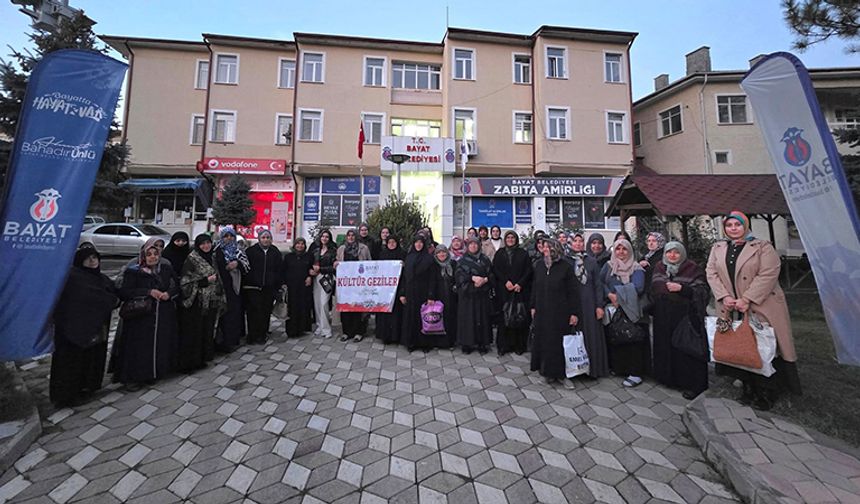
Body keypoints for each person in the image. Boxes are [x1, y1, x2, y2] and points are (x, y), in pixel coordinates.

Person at [706, 211, 801, 410]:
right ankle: (747, 387)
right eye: (729, 225)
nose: (733, 228)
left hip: (759, 305)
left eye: (737, 225)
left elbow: (769, 273)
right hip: (732, 305)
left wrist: (747, 299)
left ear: (745, 226)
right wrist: (724, 297)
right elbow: (711, 272)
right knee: (741, 346)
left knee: (764, 346)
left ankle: (766, 393)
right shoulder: (719, 247)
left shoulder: (762, 247)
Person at [50, 247, 118, 407]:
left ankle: (87, 388)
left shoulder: (100, 278)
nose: (92, 261)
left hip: (95, 328)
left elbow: (112, 293)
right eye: (88, 258)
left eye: (95, 257)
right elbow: (88, 297)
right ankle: (66, 396)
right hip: (72, 330)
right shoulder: (72, 277)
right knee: (70, 364)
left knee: (90, 360)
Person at [113, 238, 179, 391]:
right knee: (138, 348)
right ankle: (134, 378)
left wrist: (168, 294)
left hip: (160, 315)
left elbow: (175, 285)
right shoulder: (134, 271)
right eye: (149, 254)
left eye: (156, 254)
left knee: (156, 346)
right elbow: (125, 292)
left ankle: (152, 373)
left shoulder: (165, 269)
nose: (153, 257)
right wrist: (148, 292)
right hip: (140, 316)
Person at [651, 241, 710, 399]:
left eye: (676, 252)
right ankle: (667, 378)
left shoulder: (692, 268)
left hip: (685, 316)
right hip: (663, 315)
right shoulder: (659, 267)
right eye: (669, 252)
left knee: (685, 348)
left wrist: (683, 289)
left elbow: (702, 291)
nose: (672, 255)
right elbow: (654, 287)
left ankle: (690, 383)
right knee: (665, 347)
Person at [530, 238, 581, 389]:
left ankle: (563, 375)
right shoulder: (539, 265)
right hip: (542, 310)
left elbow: (573, 291)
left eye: (548, 247)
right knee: (544, 342)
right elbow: (535, 287)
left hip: (560, 312)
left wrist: (574, 313)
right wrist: (532, 305)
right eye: (544, 247)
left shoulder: (565, 266)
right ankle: (547, 373)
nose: (545, 250)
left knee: (560, 344)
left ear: (555, 249)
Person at [601, 239, 649, 388]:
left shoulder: (636, 268)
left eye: (624, 249)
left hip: (632, 310)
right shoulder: (608, 266)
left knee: (633, 338)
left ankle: (635, 373)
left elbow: (638, 287)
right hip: (614, 309)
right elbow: (600, 283)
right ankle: (619, 368)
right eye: (618, 249)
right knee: (616, 337)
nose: (621, 252)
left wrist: (617, 292)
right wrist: (609, 295)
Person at [177, 234, 225, 372]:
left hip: (211, 301)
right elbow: (185, 282)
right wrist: (205, 281)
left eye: (208, 243)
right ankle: (191, 362)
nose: (206, 246)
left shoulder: (212, 257)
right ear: (198, 245)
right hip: (196, 302)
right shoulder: (192, 259)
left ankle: (204, 358)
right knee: (195, 332)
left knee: (207, 330)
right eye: (203, 244)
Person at [570, 233, 609, 378]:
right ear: (571, 243)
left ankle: (592, 369)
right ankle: (575, 369)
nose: (578, 244)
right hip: (574, 304)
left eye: (581, 241)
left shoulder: (591, 261)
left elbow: (598, 285)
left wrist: (599, 305)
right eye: (575, 241)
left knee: (591, 334)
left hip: (590, 303)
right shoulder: (566, 261)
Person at [493, 231, 532, 355]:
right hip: (504, 291)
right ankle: (503, 346)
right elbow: (496, 269)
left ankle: (518, 346)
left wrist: (520, 283)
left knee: (519, 318)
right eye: (508, 237)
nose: (510, 239)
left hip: (519, 290)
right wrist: (506, 282)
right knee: (504, 318)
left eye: (513, 237)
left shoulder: (523, 253)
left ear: (516, 239)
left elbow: (528, 270)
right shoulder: (500, 253)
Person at [244, 229, 283, 345]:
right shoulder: (251, 251)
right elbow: (246, 268)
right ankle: (252, 335)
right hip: (253, 287)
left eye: (268, 238)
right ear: (259, 239)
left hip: (269, 288)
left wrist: (278, 285)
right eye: (263, 238)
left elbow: (279, 270)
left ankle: (262, 334)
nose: (266, 240)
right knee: (253, 312)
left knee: (265, 312)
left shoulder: (275, 252)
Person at [455, 237, 494, 354]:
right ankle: (467, 344)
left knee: (483, 319)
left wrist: (485, 280)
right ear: (467, 246)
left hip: (482, 295)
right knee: (468, 320)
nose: (473, 246)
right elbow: (458, 276)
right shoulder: (462, 261)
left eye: (475, 244)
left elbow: (492, 274)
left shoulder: (485, 260)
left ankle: (483, 344)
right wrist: (472, 278)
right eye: (471, 244)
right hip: (467, 296)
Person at [214, 227, 249, 352]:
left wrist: (237, 264)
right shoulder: (217, 250)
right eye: (226, 236)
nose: (229, 238)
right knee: (224, 314)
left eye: (231, 236)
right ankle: (224, 342)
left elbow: (246, 266)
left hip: (236, 287)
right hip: (221, 287)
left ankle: (234, 340)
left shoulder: (238, 250)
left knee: (235, 313)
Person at [399, 234, 436, 351]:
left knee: (423, 318)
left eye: (420, 242)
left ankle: (424, 344)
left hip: (423, 293)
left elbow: (432, 278)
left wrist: (431, 295)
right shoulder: (409, 257)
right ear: (413, 244)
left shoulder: (429, 258)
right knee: (410, 318)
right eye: (416, 242)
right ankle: (411, 343)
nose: (418, 245)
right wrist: (402, 293)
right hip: (410, 292)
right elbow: (404, 277)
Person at [337, 228, 372, 342]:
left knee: (358, 308)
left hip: (359, 283)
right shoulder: (341, 249)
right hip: (346, 284)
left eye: (353, 235)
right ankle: (347, 332)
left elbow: (369, 264)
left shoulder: (363, 248)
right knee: (346, 307)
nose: (351, 237)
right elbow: (338, 262)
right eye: (349, 235)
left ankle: (359, 332)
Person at [283, 238, 315, 338]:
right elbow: (283, 270)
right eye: (298, 244)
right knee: (292, 308)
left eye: (302, 244)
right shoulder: (288, 257)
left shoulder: (308, 256)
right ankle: (292, 330)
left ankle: (302, 329)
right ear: (294, 245)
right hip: (292, 286)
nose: (300, 246)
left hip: (304, 286)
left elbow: (311, 269)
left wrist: (310, 277)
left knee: (303, 307)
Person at [376, 235, 406, 344]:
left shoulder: (402, 254)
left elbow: (406, 273)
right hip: (385, 288)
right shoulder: (382, 254)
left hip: (398, 288)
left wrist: (404, 265)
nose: (392, 244)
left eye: (394, 242)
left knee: (397, 314)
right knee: (385, 313)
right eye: (390, 242)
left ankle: (396, 336)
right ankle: (386, 336)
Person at [429, 245, 458, 348]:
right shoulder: (434, 265)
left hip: (451, 296)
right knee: (438, 318)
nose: (441, 254)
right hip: (438, 296)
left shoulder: (453, 264)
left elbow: (457, 278)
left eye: (443, 252)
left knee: (451, 318)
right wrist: (431, 296)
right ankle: (439, 342)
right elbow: (431, 282)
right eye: (439, 253)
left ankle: (451, 341)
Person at [310, 229, 337, 338]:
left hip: (327, 278)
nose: (324, 238)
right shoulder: (315, 250)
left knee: (324, 303)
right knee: (317, 303)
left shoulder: (333, 251)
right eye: (323, 236)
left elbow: (333, 268)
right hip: (316, 279)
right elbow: (309, 262)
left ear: (329, 238)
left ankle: (326, 329)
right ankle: (319, 326)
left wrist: (320, 269)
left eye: (327, 237)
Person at [639, 231, 666, 296]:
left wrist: (646, 266)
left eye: (654, 241)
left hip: (657, 290)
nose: (650, 243)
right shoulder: (647, 255)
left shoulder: (663, 255)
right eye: (649, 241)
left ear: (660, 242)